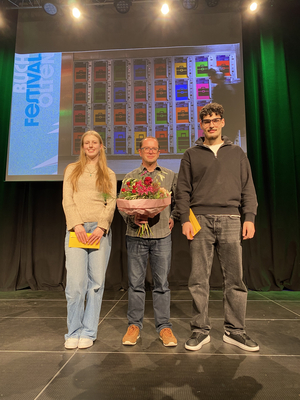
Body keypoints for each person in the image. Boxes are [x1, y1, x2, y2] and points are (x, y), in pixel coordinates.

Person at [176, 103, 259, 352]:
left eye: (215, 120)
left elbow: (248, 188)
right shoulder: (191, 154)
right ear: (201, 125)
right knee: (198, 279)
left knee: (235, 279)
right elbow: (182, 191)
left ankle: (235, 331)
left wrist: (250, 217)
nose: (211, 124)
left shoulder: (237, 153)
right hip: (199, 220)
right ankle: (200, 331)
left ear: (222, 122)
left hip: (232, 220)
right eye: (206, 121)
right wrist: (184, 220)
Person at [120, 137, 177, 347]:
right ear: (140, 151)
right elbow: (121, 205)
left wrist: (174, 217)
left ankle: (164, 327)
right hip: (136, 236)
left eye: (154, 149)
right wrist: (132, 217)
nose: (150, 152)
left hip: (162, 235)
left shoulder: (170, 176)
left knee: (162, 285)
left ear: (159, 152)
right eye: (147, 148)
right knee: (135, 284)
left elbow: (179, 200)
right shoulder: (130, 177)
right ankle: (134, 326)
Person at [62, 130, 116, 349]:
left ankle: (89, 331)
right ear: (82, 147)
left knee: (96, 284)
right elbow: (67, 199)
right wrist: (76, 224)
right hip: (77, 230)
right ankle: (73, 331)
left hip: (98, 233)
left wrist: (102, 227)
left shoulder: (108, 173)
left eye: (95, 142)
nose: (91, 146)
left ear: (101, 146)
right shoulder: (72, 170)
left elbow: (110, 202)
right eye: (87, 143)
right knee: (75, 284)